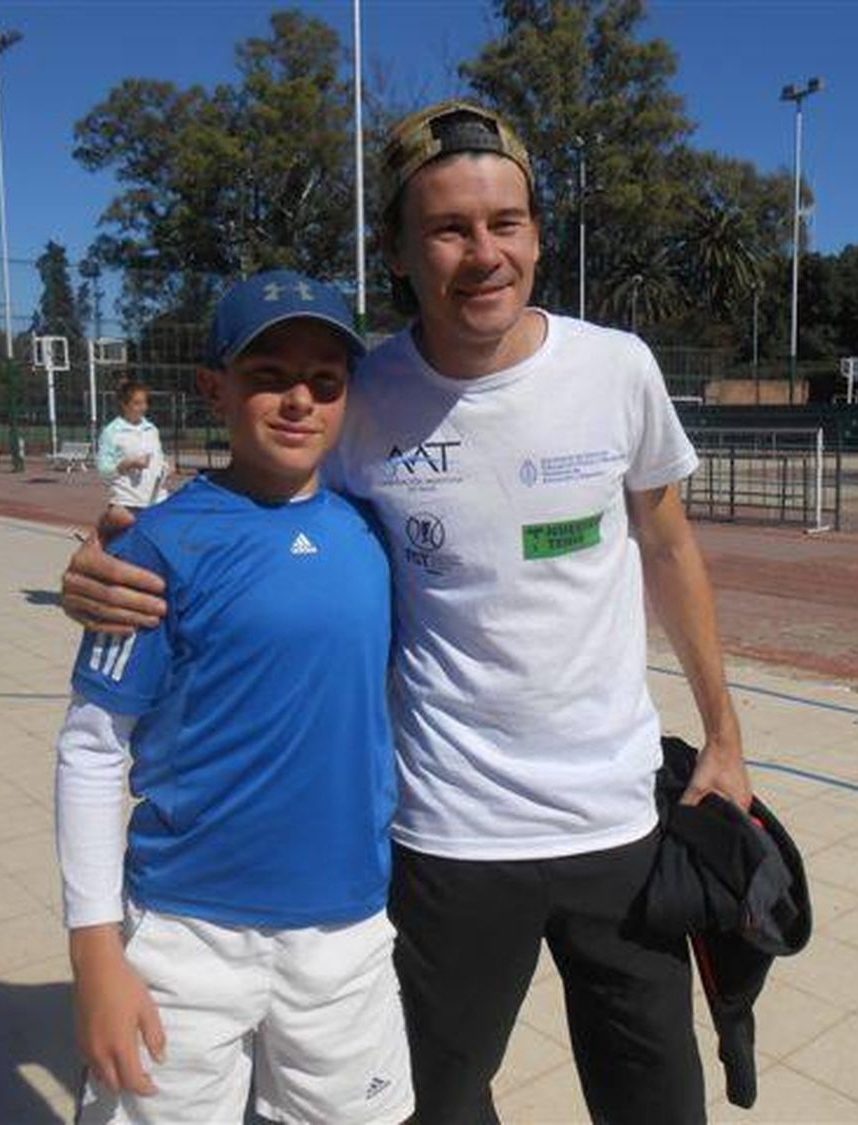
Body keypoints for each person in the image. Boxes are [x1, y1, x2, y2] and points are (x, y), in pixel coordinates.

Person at [62, 101, 751, 1124]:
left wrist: (727, 736)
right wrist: (108, 556)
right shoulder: (362, 390)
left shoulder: (617, 369)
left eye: (505, 222)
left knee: (657, 1101)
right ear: (399, 248)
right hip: (445, 838)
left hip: (617, 824)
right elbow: (257, 495)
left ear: (535, 231)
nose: (484, 253)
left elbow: (668, 543)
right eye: (449, 228)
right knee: (434, 1104)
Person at [57, 270, 412, 1125]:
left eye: (324, 382)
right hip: (185, 934)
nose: (299, 401)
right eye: (268, 376)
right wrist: (96, 953)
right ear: (215, 388)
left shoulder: (374, 531)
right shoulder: (158, 546)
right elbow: (93, 749)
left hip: (344, 930)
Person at [95, 379, 168, 518]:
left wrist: (165, 467)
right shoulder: (112, 432)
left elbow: (159, 459)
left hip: (157, 502)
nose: (143, 407)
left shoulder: (151, 429)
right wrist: (126, 464)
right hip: (127, 504)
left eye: (145, 402)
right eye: (137, 403)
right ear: (124, 405)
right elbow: (104, 471)